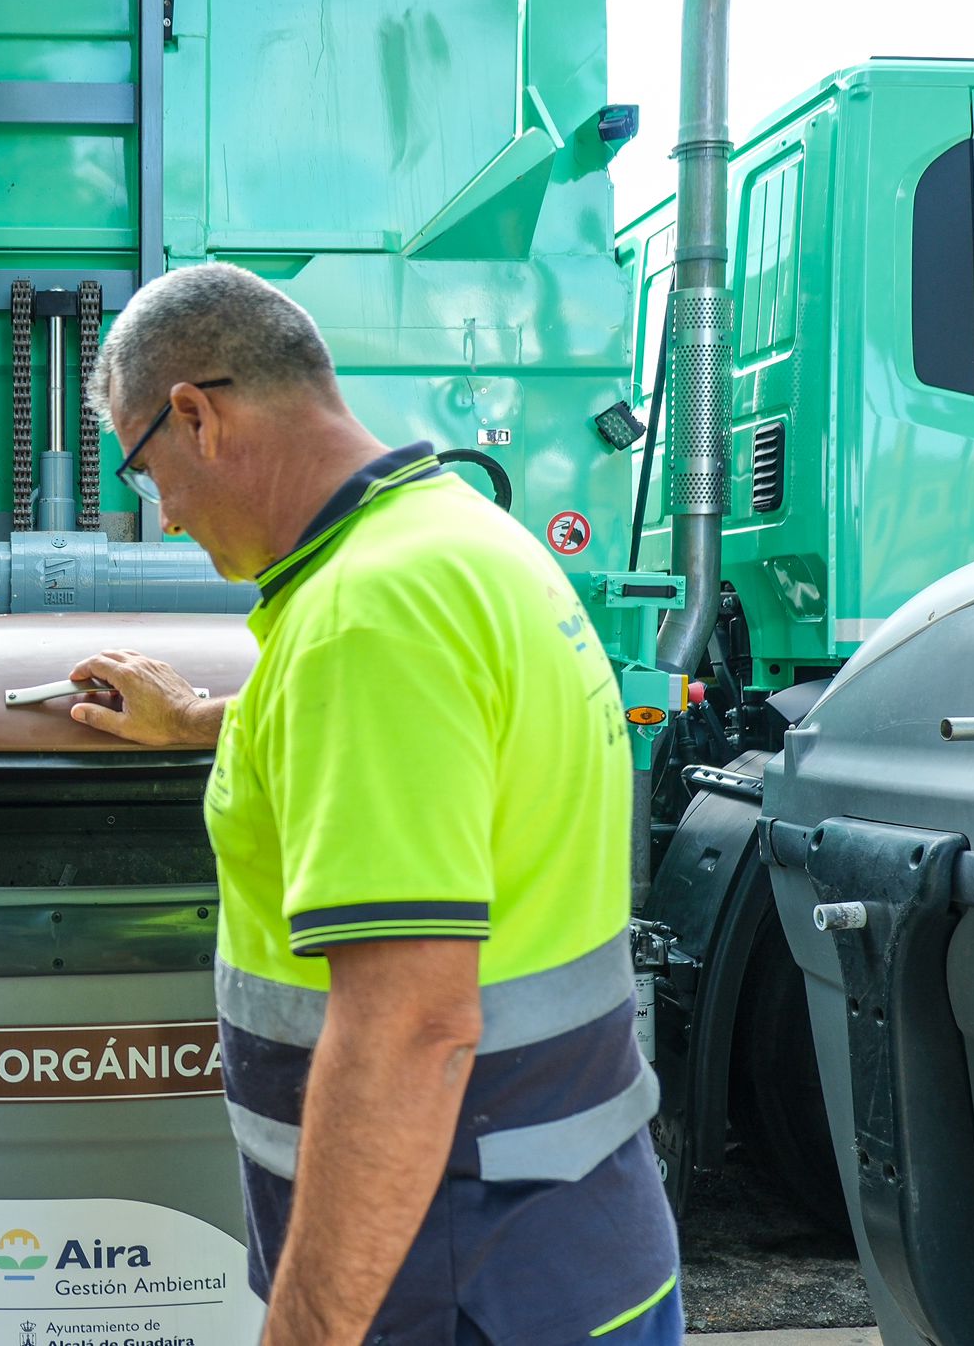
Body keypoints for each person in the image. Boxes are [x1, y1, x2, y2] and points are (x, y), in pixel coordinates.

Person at [67, 263, 681, 1345]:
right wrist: (210, 719)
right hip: (574, 1245)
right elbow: (441, 735)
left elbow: (409, 1026)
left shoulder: (364, 621)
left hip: (450, 1275)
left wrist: (304, 1331)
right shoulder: (462, 541)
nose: (162, 517)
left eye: (143, 468)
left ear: (196, 416)